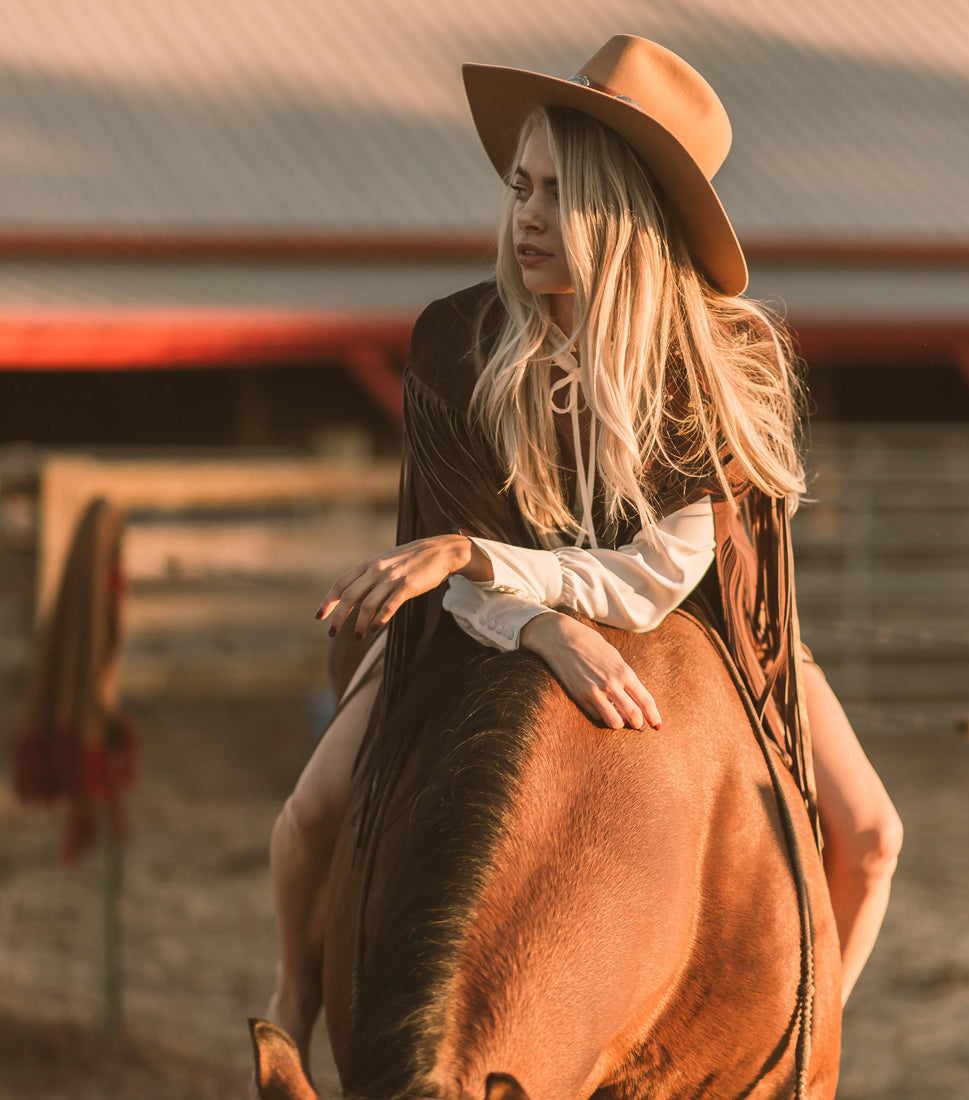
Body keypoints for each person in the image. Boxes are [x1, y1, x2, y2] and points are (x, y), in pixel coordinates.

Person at [260, 34, 903, 1076]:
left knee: (872, 836)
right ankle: (293, 991)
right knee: (312, 810)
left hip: (694, 621)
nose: (525, 215)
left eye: (559, 193)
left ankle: (797, 1041)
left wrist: (495, 565)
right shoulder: (456, 344)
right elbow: (458, 577)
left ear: (623, 213)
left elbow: (657, 576)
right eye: (519, 185)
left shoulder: (721, 363)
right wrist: (535, 620)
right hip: (470, 625)